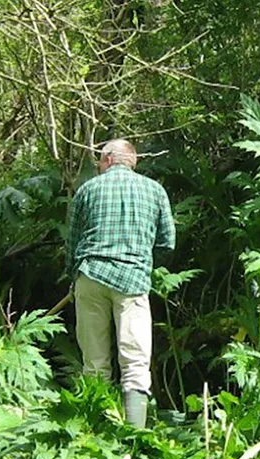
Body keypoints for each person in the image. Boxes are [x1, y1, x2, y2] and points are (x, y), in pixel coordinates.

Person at [66, 139, 175, 428]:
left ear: (108, 160)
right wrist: (141, 260)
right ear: (132, 161)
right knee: (135, 361)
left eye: (99, 163)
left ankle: (96, 431)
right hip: (133, 281)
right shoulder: (155, 190)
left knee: (95, 362)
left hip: (90, 276)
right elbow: (167, 242)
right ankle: (133, 439)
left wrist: (72, 276)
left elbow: (73, 241)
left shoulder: (88, 190)